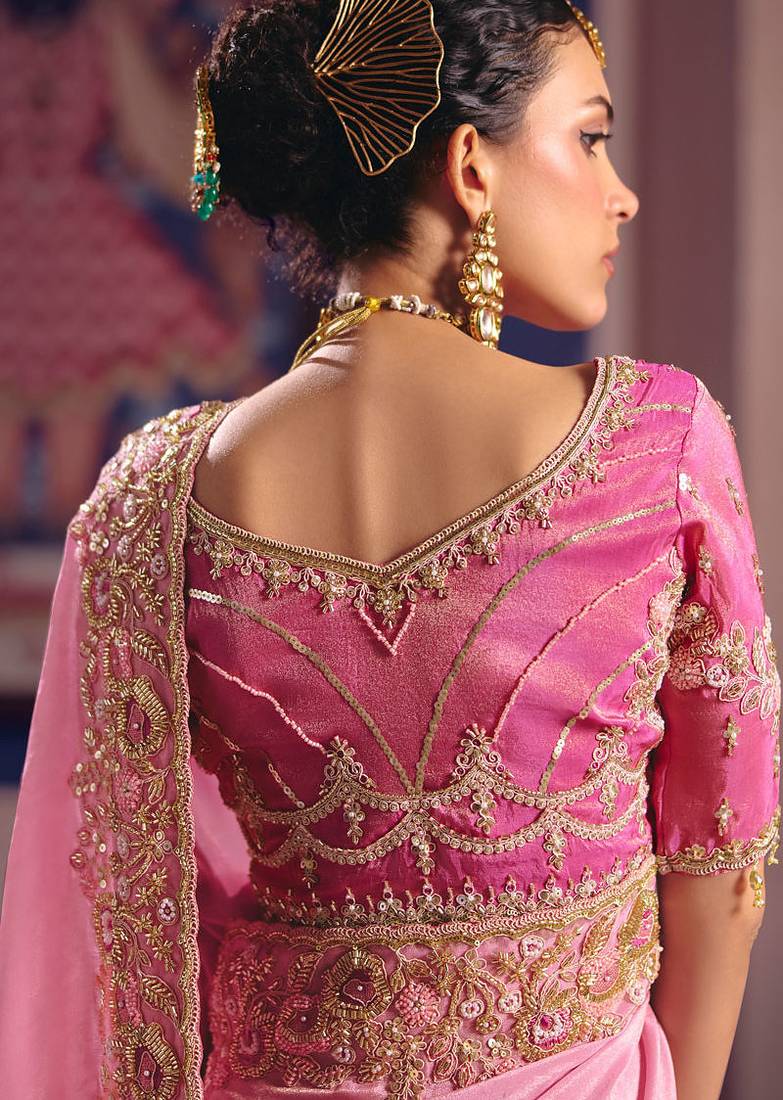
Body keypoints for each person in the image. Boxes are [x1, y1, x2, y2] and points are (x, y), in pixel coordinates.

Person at [0, 2, 779, 1098]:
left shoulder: (154, 497)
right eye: (589, 137)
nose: (622, 194)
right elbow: (720, 875)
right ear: (470, 167)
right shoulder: (657, 444)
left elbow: (116, 909)